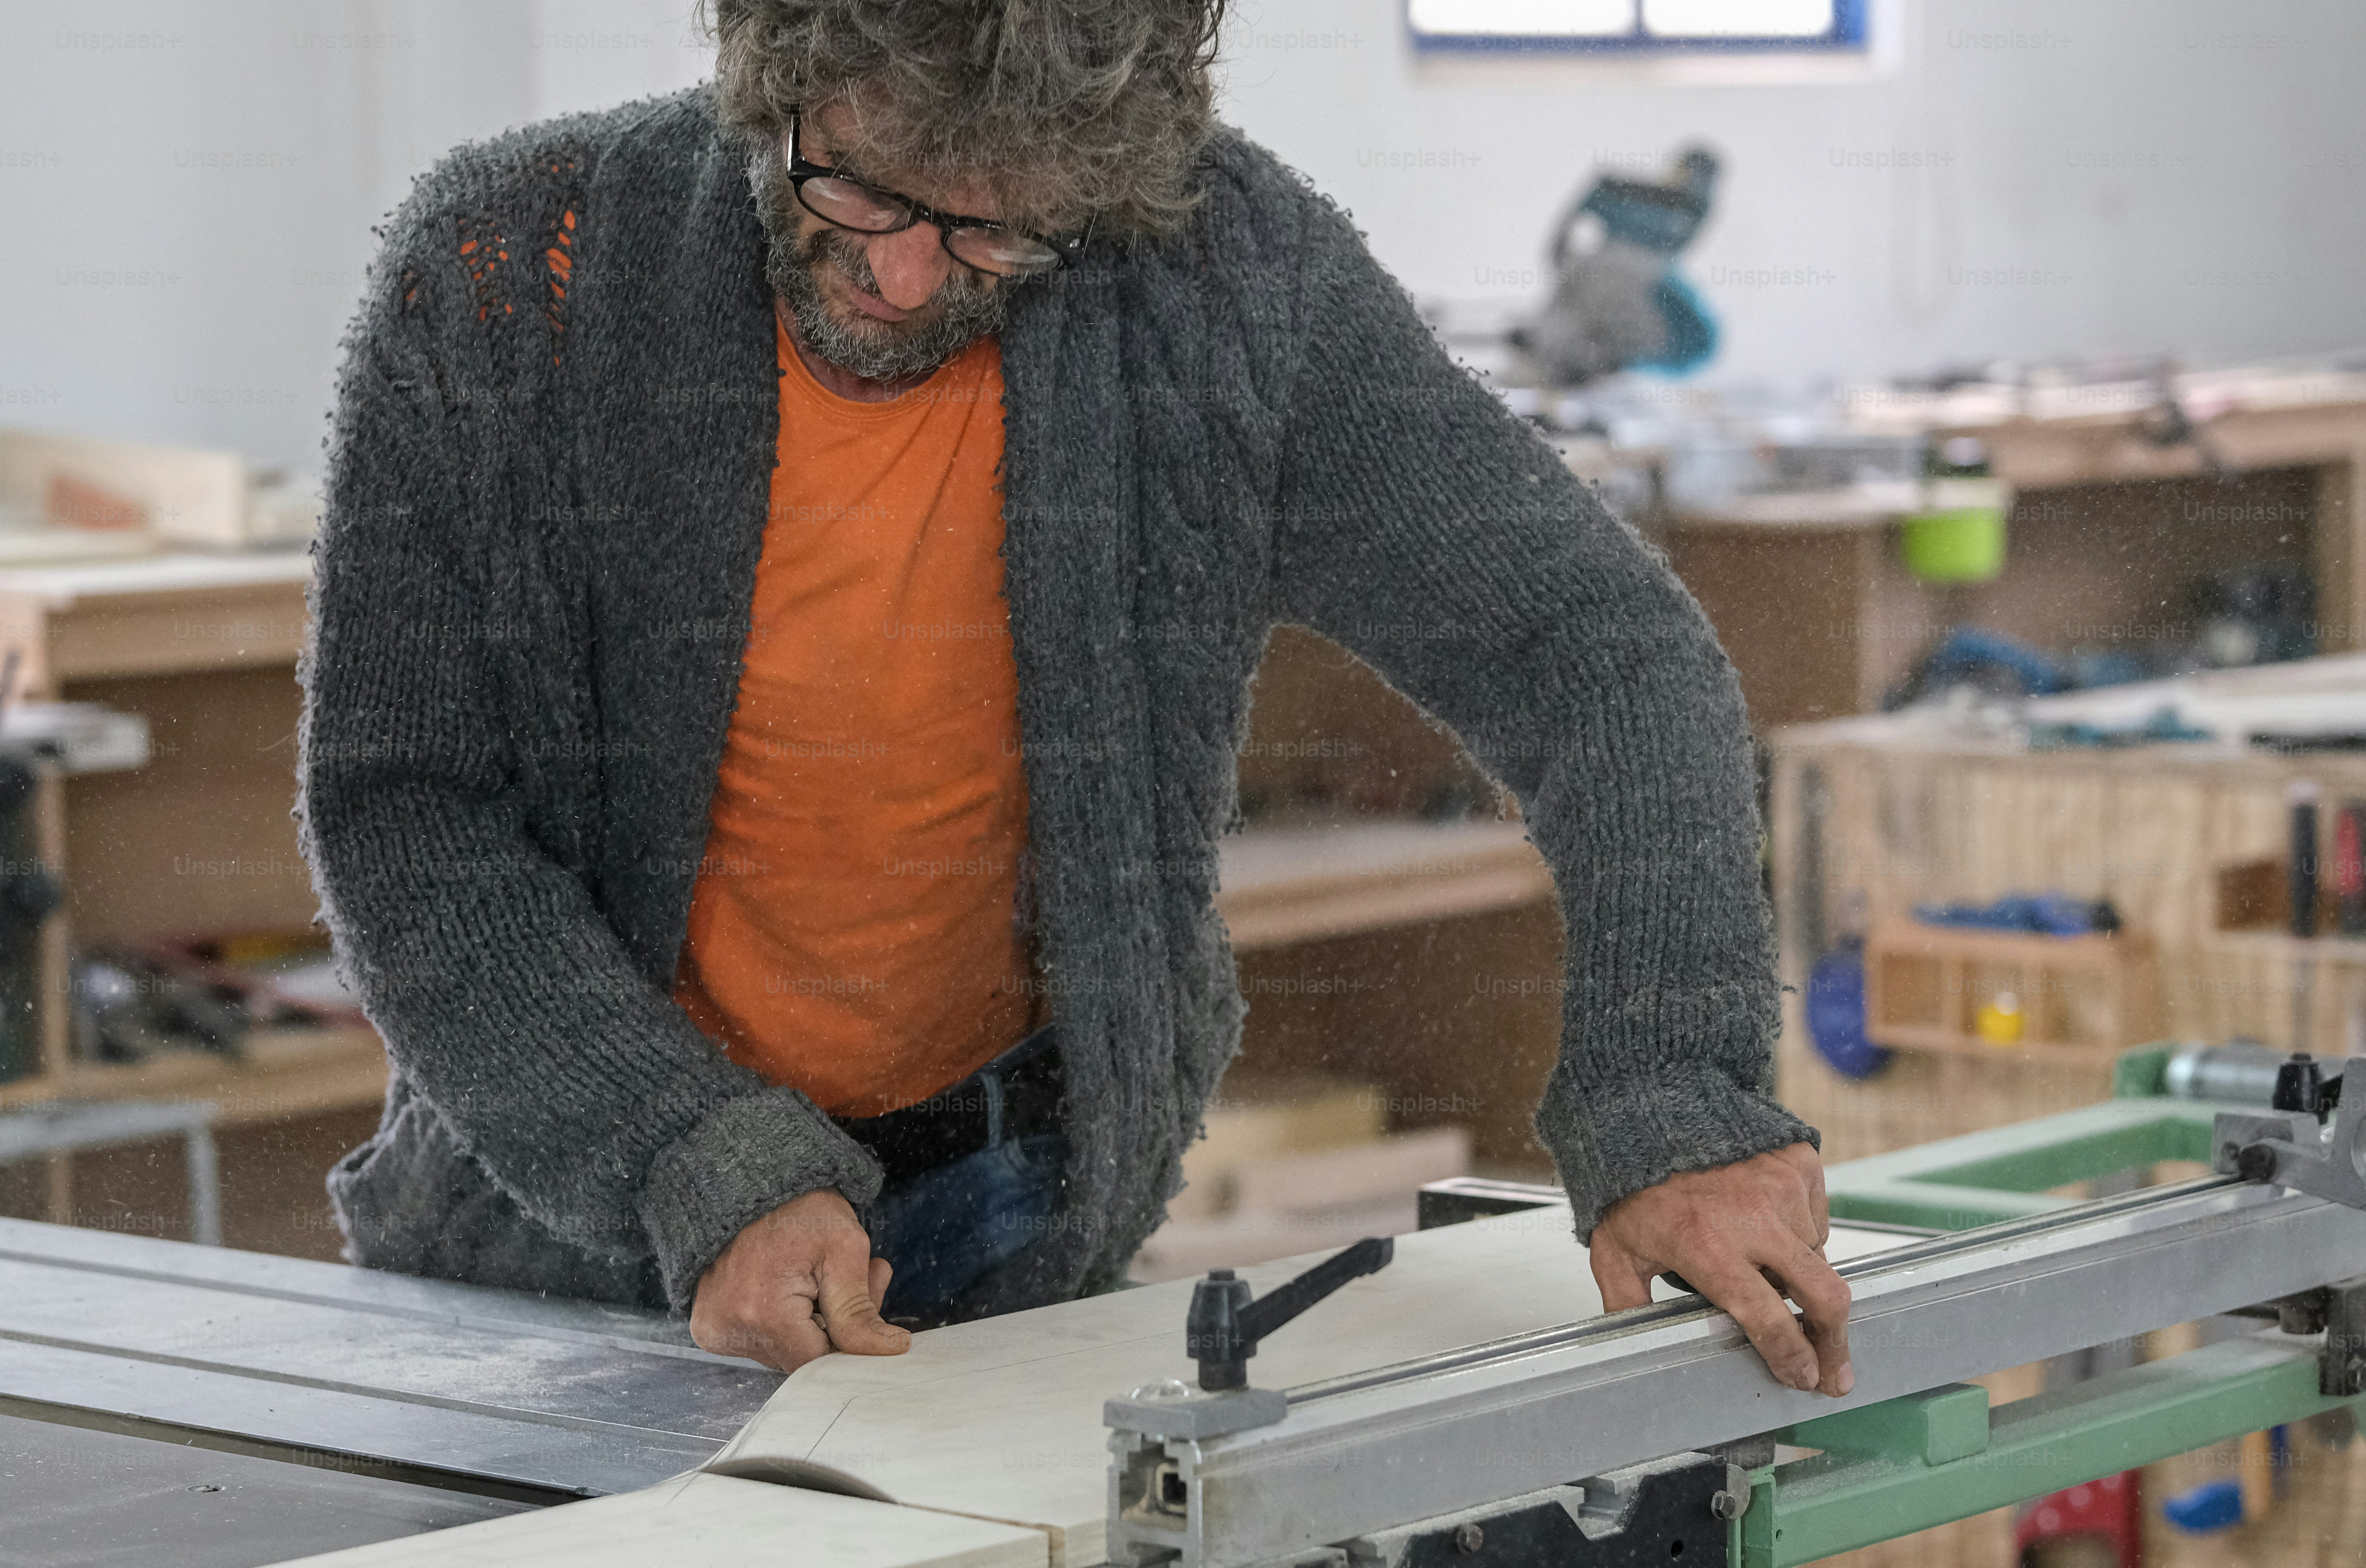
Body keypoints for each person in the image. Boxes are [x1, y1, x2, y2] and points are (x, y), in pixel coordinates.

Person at [297, 0, 1851, 1397]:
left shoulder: (1224, 277)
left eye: (993, 235)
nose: (904, 277)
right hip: (559, 1228)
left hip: (1008, 1207)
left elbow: (1596, 651)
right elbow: (409, 814)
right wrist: (688, 1154)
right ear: (771, 75)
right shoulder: (516, 270)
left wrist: (1676, 1095)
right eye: (857, 189)